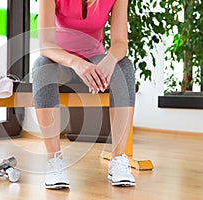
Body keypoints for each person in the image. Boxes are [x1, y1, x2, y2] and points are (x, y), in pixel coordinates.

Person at [32, 0, 136, 189]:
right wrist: (76, 63)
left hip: (95, 60)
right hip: (62, 61)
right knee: (41, 67)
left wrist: (110, 60)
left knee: (125, 68)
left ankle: (119, 160)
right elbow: (46, 45)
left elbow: (120, 42)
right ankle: (54, 161)